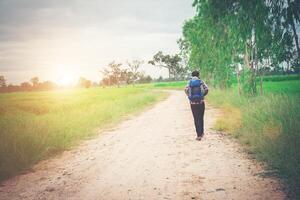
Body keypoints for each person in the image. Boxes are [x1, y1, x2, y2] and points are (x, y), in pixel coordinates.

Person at [184, 70, 209, 141]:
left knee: (196, 118)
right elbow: (207, 89)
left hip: (193, 104)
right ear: (198, 75)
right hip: (201, 103)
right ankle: (202, 133)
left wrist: (190, 97)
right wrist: (202, 96)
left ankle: (198, 135)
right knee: (201, 117)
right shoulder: (201, 81)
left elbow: (186, 90)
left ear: (192, 75)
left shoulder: (189, 82)